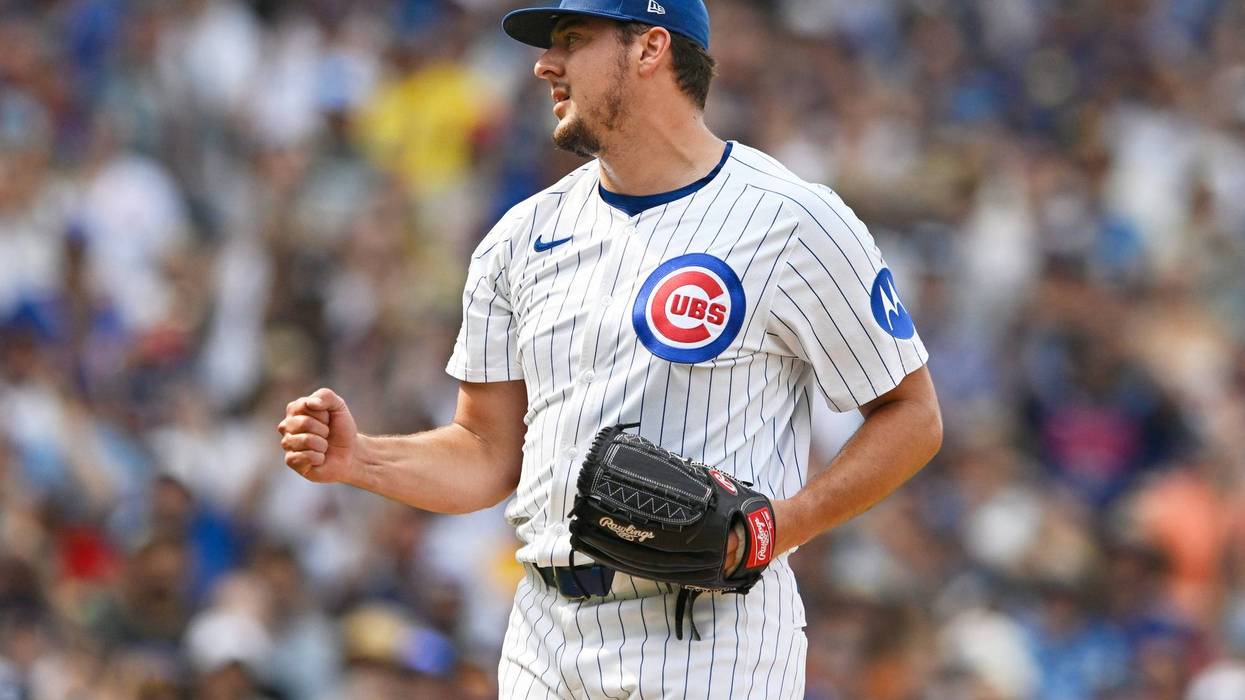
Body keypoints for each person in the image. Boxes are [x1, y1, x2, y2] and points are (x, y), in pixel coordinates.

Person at [277, 0, 943, 696]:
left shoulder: (792, 220)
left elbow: (912, 415)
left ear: (650, 48)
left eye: (572, 40)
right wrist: (363, 458)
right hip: (541, 632)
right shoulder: (518, 239)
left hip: (707, 635)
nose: (544, 65)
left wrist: (781, 525)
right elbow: (484, 453)